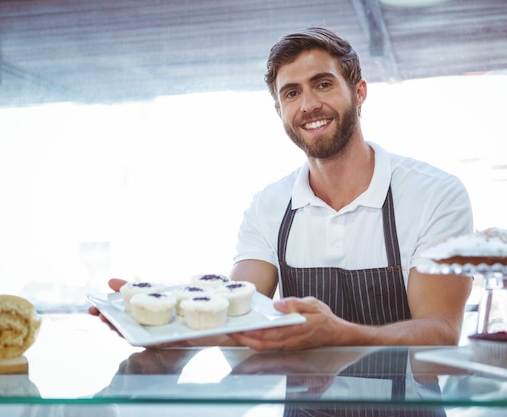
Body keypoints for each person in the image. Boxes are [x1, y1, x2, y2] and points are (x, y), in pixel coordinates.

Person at [90, 26, 474, 351]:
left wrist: (342, 334)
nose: (308, 105)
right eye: (291, 93)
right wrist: (162, 321)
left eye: (322, 84)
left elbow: (441, 331)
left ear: (359, 92)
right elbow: (237, 314)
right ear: (279, 111)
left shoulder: (435, 195)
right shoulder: (268, 206)